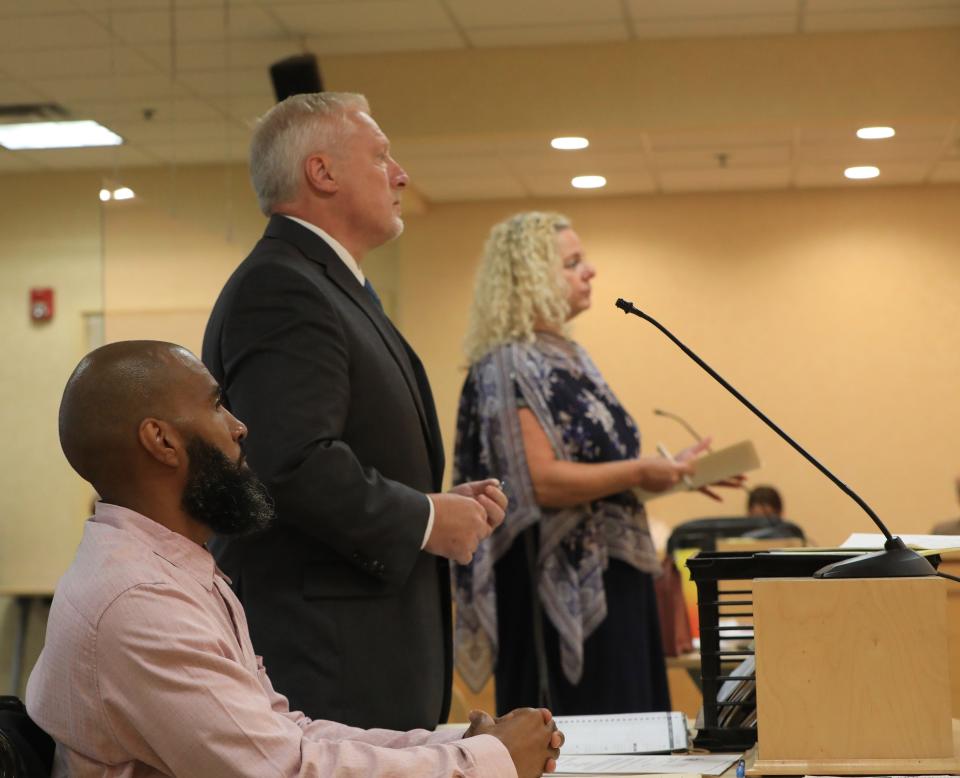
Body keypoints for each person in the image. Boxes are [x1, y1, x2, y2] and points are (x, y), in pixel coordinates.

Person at [26, 340, 562, 778]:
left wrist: (448, 748)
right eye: (216, 405)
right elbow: (284, 771)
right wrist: (489, 762)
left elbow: (285, 732)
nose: (239, 426)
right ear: (162, 440)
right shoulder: (139, 603)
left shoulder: (165, 568)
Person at [202, 92, 506, 730]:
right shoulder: (281, 286)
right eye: (381, 156)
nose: (400, 174)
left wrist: (441, 504)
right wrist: (424, 519)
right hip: (327, 658)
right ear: (323, 173)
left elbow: (336, 449)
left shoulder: (331, 285)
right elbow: (288, 463)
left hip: (364, 644)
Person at [452, 211, 710, 716]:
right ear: (529, 278)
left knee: (635, 733)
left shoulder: (571, 357)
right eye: (572, 263)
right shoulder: (508, 365)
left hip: (615, 578)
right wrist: (639, 472)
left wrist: (669, 473)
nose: (590, 272)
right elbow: (538, 482)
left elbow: (598, 474)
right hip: (560, 589)